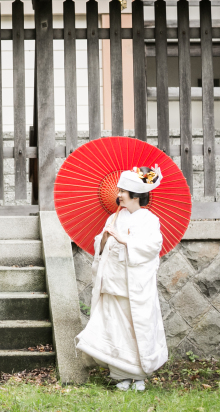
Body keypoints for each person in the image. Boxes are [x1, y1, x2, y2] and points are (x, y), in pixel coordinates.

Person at [75, 165, 168, 392]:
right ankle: (121, 375)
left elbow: (154, 245)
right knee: (115, 328)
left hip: (134, 284)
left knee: (135, 327)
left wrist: (127, 242)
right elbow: (100, 245)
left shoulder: (149, 220)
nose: (119, 195)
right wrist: (105, 238)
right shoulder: (113, 218)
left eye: (123, 191)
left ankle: (139, 376)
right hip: (113, 280)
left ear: (135, 195)